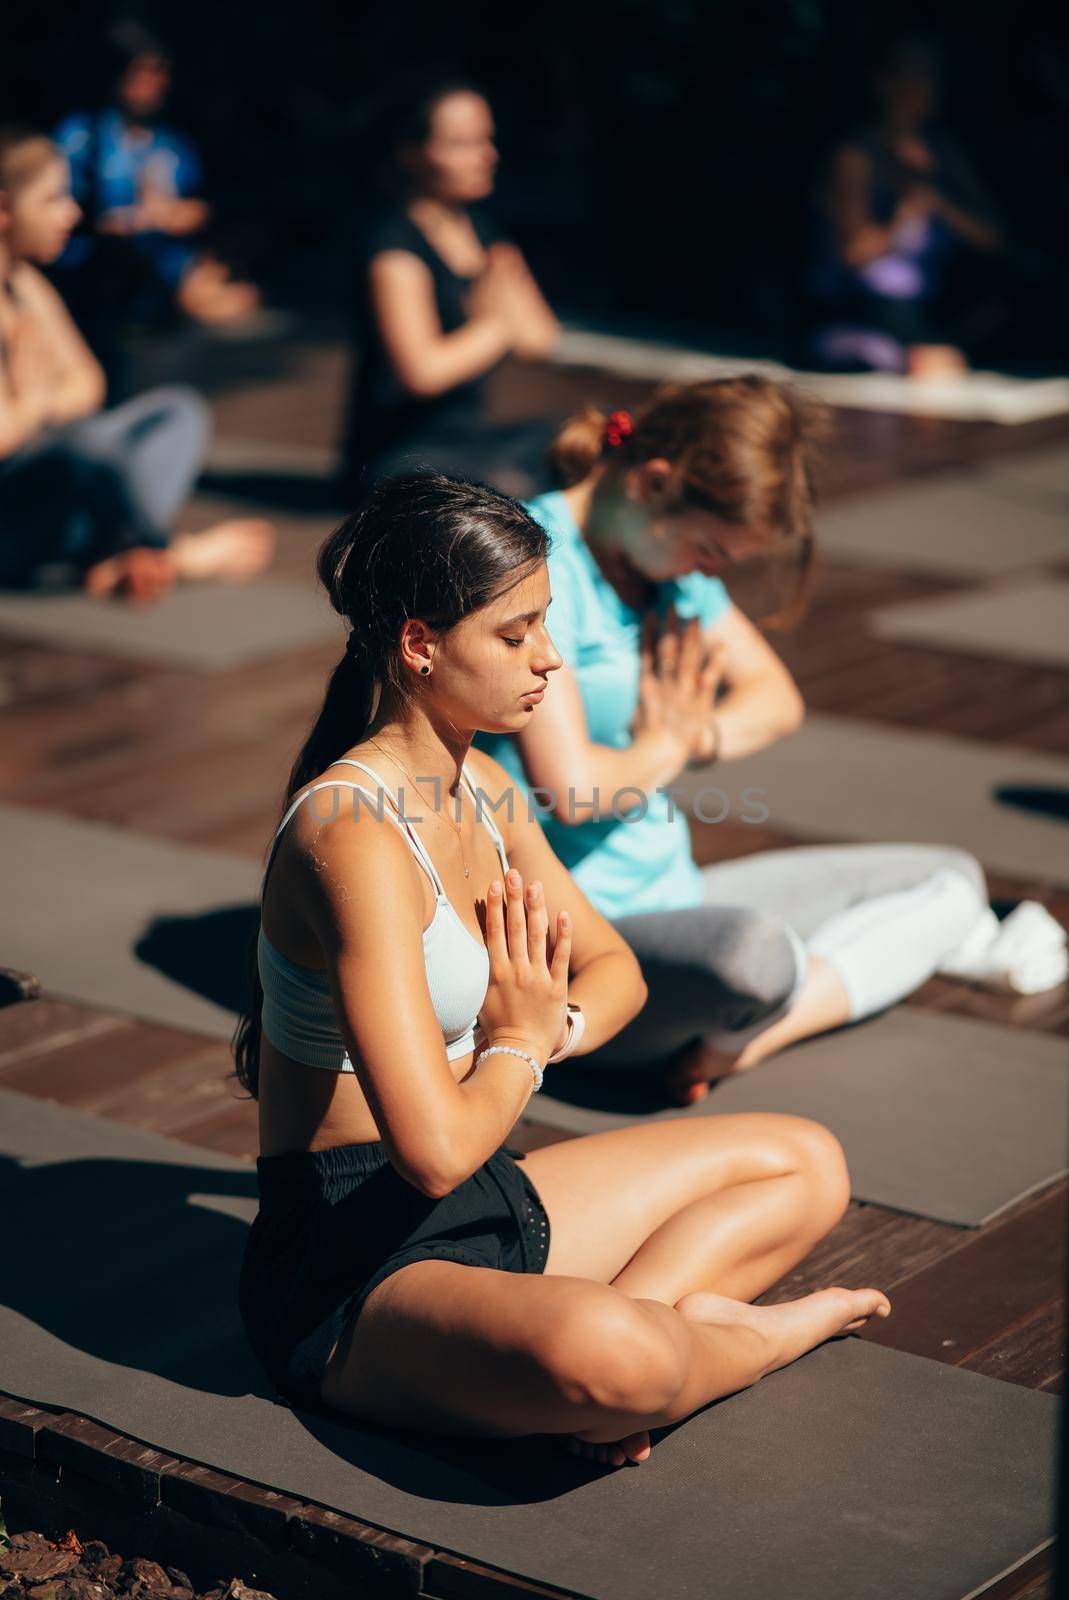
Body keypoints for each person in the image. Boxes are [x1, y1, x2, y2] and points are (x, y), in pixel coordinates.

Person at [234, 471, 889, 1470]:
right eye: (515, 634)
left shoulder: (485, 786)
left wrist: (554, 1025)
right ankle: (740, 1341)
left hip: (482, 1181)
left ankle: (644, 1352)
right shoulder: (348, 833)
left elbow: (613, 965)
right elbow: (433, 1154)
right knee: (609, 1354)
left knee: (807, 1161)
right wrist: (521, 1038)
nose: (549, 661)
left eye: (548, 626)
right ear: (420, 643)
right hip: (354, 1262)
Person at [475, 378, 1067, 1105]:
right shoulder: (534, 568)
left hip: (676, 897)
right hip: (584, 950)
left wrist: (691, 734)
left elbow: (775, 700)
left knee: (948, 881)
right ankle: (749, 1012)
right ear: (655, 483)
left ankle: (741, 1044)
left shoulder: (663, 570)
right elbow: (572, 792)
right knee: (753, 955)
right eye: (708, 549)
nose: (709, 571)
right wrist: (667, 742)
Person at [0, 127, 274, 602]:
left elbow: (89, 382)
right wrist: (42, 401)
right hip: (14, 527)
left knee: (177, 411)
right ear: (3, 210)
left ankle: (122, 552)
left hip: (57, 492)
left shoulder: (27, 286)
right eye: (52, 200)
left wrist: (31, 403)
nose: (72, 212)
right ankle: (162, 552)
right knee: (88, 444)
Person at [339, 79, 562, 496]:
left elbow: (540, 338)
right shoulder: (394, 247)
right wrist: (495, 324)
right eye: (462, 143)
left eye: (486, 139)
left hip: (469, 440)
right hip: (401, 457)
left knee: (592, 437)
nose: (487, 155)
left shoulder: (483, 231)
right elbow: (422, 371)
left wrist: (495, 322)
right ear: (412, 153)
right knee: (507, 488)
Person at [808, 36, 1005, 377]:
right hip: (863, 304)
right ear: (883, 82)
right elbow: (854, 255)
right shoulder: (856, 156)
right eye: (915, 73)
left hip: (927, 304)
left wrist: (941, 206)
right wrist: (905, 217)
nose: (927, 86)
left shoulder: (943, 154)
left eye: (932, 75)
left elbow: (996, 240)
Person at [54, 21, 260, 329]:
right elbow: (65, 215)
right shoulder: (82, 137)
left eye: (160, 72)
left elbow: (197, 205)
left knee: (238, 297)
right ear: (117, 74)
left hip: (171, 271)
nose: (154, 83)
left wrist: (181, 215)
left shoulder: (171, 144)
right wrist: (135, 220)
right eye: (143, 73)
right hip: (100, 277)